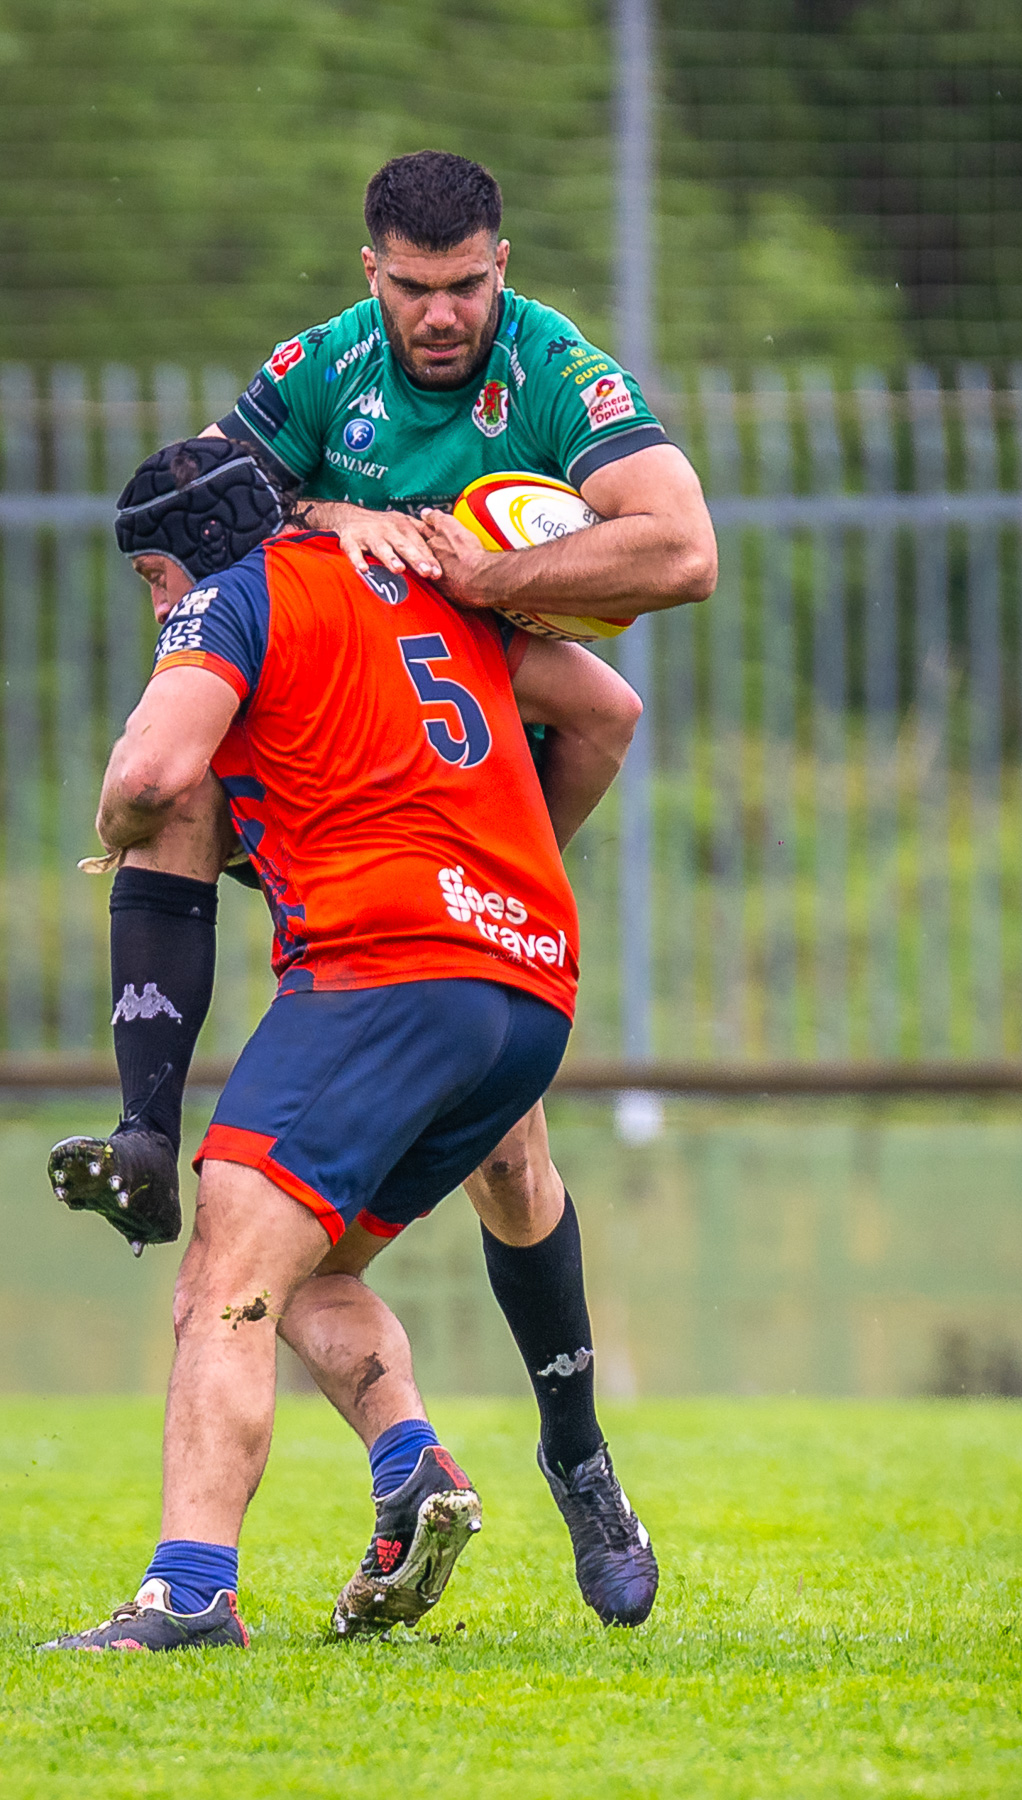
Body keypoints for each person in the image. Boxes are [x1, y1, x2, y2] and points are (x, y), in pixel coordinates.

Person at [42, 449, 657, 1653]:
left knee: (220, 1282)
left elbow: (152, 772)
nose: (160, 608)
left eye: (155, 580)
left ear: (187, 556)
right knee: (306, 1276)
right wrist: (509, 869)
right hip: (527, 990)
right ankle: (411, 1468)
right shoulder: (423, 578)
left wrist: (115, 825)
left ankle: (188, 1593)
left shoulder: (237, 592)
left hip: (383, 978)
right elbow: (610, 710)